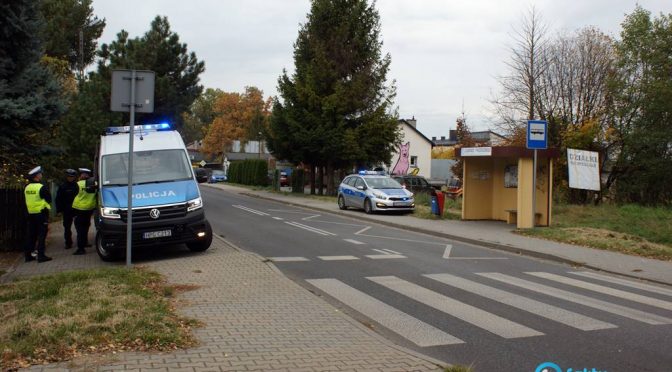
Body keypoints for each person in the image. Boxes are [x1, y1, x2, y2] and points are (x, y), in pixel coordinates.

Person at [23, 166, 53, 263]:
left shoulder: (26, 187)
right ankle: (41, 255)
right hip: (41, 214)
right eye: (40, 174)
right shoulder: (41, 187)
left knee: (31, 235)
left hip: (30, 214)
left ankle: (28, 256)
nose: (41, 175)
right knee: (41, 235)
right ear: (36, 176)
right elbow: (49, 199)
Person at [72, 168, 96, 255]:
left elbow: (72, 195)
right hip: (89, 209)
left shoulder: (77, 184)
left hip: (79, 209)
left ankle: (80, 248)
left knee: (79, 229)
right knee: (86, 227)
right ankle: (85, 243)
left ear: (81, 175)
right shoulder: (93, 184)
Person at [55, 169, 79, 249]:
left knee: (79, 227)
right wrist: (59, 210)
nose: (70, 178)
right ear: (66, 177)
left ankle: (81, 242)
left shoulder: (76, 186)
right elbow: (58, 199)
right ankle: (68, 243)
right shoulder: (63, 186)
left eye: (72, 177)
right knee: (67, 228)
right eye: (69, 177)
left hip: (76, 210)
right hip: (66, 210)